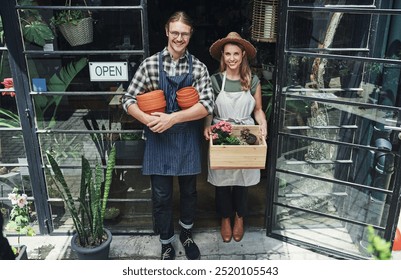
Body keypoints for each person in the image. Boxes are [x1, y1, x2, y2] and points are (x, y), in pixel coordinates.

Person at [122, 11, 214, 260]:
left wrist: (172, 118)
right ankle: (166, 242)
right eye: (175, 32)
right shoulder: (150, 64)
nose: (179, 38)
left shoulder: (198, 67)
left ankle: (186, 234)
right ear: (167, 31)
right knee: (161, 196)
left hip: (186, 138)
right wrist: (148, 119)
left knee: (189, 192)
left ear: (190, 35)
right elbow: (128, 99)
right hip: (158, 138)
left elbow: (207, 104)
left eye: (184, 34)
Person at [204, 32, 267, 243]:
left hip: (245, 134)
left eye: (236, 54)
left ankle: (239, 217)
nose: (232, 58)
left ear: (242, 56)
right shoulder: (215, 80)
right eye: (228, 54)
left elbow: (258, 110)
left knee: (242, 180)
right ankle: (225, 217)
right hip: (221, 133)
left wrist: (263, 126)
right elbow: (209, 111)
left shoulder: (252, 80)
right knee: (222, 181)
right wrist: (206, 127)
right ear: (223, 55)